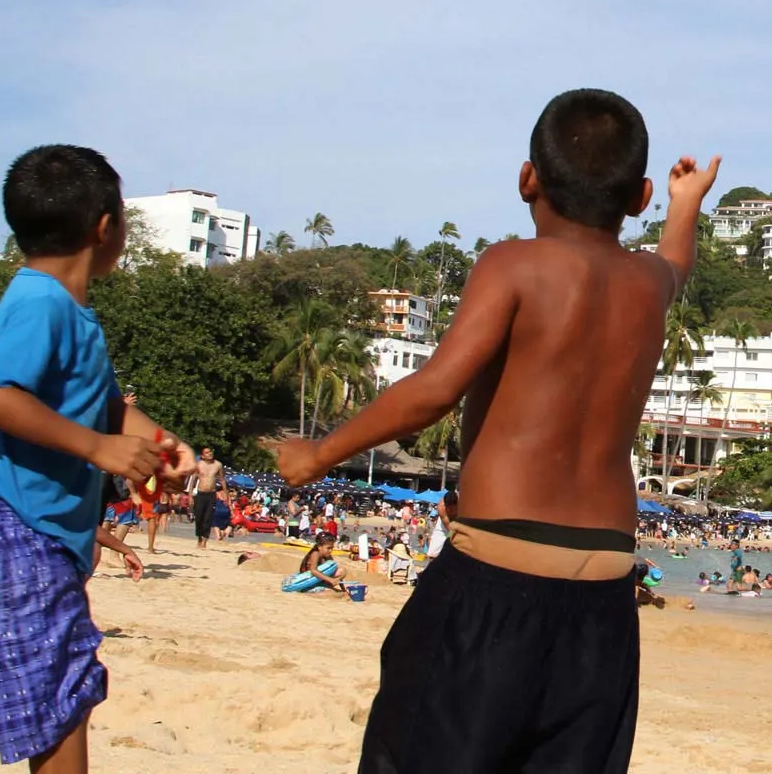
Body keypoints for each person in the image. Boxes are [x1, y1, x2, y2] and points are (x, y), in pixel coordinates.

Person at [277, 89, 720, 774]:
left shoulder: (513, 264)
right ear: (637, 197)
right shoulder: (649, 283)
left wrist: (319, 454)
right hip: (605, 594)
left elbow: (432, 391)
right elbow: (677, 258)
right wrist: (685, 204)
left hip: (496, 574)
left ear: (527, 178)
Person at [0, 144, 195, 774]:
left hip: (32, 537)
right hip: (21, 532)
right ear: (105, 226)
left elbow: (105, 407)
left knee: (18, 708)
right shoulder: (39, 301)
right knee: (36, 703)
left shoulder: (71, 311)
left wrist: (157, 443)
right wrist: (99, 449)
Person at [191, 446, 224, 549]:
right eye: (207, 453)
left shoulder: (218, 465)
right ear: (203, 456)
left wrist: (226, 493)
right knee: (199, 517)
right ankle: (199, 539)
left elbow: (222, 479)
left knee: (208, 518)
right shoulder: (199, 465)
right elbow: (193, 479)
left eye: (210, 452)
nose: (210, 453)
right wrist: (190, 495)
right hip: (200, 494)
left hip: (211, 494)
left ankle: (205, 540)